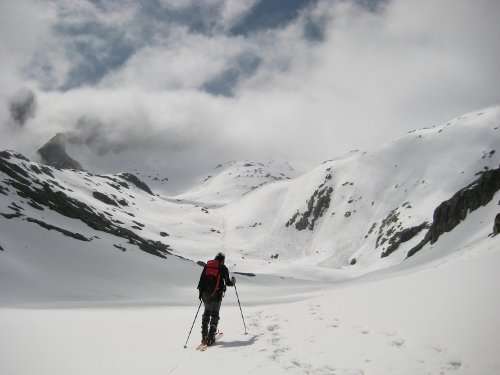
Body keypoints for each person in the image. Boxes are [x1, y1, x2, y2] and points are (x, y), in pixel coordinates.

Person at [197, 252, 235, 346]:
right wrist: (233, 281)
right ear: (222, 260)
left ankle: (204, 337)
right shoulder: (223, 267)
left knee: (206, 314)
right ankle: (211, 337)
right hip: (216, 295)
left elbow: (201, 280)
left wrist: (201, 294)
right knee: (215, 315)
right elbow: (228, 282)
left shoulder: (208, 265)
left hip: (205, 294)